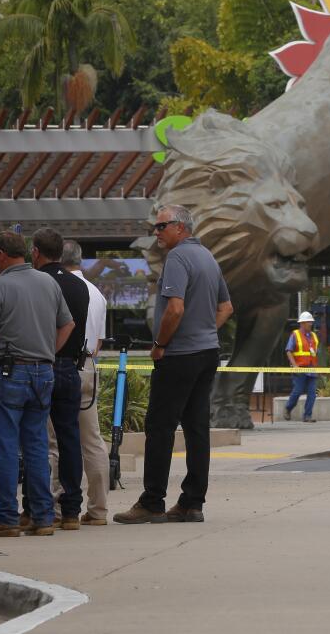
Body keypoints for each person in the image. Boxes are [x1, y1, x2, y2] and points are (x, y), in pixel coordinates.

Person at [113, 205, 232, 525]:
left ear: (180, 227)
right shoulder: (207, 257)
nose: (156, 232)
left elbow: (175, 309)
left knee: (160, 427)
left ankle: (152, 501)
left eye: (161, 226)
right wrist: (205, 332)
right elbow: (226, 307)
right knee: (196, 429)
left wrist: (160, 345)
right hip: (207, 352)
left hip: (179, 354)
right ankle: (192, 503)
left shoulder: (178, 258)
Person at [0, 231, 74, 538]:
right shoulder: (48, 282)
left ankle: (6, 517)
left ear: (0, 254)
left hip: (10, 371)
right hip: (43, 372)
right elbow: (68, 323)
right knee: (37, 445)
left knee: (6, 446)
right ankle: (42, 516)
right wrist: (49, 352)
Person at [18, 228, 89, 531]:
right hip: (71, 367)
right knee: (70, 438)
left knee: (36, 439)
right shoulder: (79, 286)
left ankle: (34, 506)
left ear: (35, 252)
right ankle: (72, 508)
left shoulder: (35, 284)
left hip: (41, 363)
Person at [56, 239, 111, 526]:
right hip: (87, 364)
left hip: (61, 364)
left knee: (55, 440)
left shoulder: (58, 287)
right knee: (92, 440)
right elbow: (98, 342)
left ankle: (55, 508)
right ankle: (99, 508)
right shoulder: (97, 293)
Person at [284, 311, 321, 423]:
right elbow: (288, 351)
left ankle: (307, 416)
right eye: (309, 322)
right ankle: (288, 408)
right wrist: (294, 365)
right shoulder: (295, 335)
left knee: (312, 393)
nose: (311, 324)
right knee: (297, 391)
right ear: (302, 323)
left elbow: (315, 353)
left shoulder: (314, 336)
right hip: (299, 369)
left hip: (312, 369)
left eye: (311, 322)